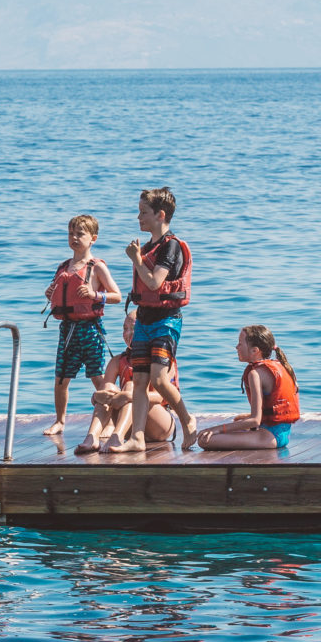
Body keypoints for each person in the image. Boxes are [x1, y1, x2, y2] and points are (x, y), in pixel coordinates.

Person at [109, 187, 201, 452]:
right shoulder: (148, 247)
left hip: (165, 321)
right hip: (145, 321)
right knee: (139, 380)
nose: (139, 218)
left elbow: (154, 281)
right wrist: (139, 257)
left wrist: (137, 260)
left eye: (143, 213)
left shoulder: (170, 247)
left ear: (160, 215)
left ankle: (186, 418)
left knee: (159, 379)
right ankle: (136, 438)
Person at [43, 213, 123, 436]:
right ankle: (60, 421)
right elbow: (57, 293)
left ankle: (111, 421)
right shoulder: (64, 267)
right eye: (71, 233)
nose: (74, 238)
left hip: (90, 329)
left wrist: (95, 295)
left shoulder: (96, 267)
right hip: (67, 329)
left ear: (93, 238)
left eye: (80, 234)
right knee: (61, 378)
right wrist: (49, 293)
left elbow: (117, 295)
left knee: (98, 377)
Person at [75, 315, 176, 453]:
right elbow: (102, 395)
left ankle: (117, 437)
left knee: (131, 386)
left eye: (133, 328)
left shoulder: (162, 360)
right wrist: (98, 396)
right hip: (130, 425)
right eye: (125, 329)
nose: (128, 333)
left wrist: (128, 396)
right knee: (108, 388)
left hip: (160, 424)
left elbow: (161, 398)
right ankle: (92, 437)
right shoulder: (117, 361)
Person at [195, 324, 300, 451]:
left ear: (255, 350)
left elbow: (255, 421)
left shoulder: (255, 374)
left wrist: (216, 429)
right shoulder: (281, 365)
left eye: (240, 343)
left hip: (269, 437)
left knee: (204, 440)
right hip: (282, 433)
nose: (236, 347)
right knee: (239, 420)